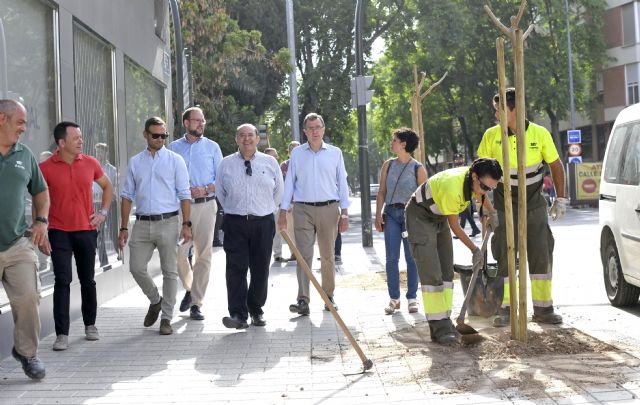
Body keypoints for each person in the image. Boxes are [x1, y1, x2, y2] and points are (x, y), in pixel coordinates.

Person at [477, 87, 568, 327]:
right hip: (504, 198)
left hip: (534, 199)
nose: (496, 115)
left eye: (500, 110)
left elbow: (556, 165)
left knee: (541, 250)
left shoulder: (539, 134)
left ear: (514, 109)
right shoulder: (491, 136)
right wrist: (486, 209)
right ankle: (507, 308)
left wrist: (561, 198)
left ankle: (543, 308)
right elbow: (477, 175)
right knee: (505, 252)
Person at [405, 158, 502, 344]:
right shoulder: (453, 187)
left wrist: (492, 212)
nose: (485, 191)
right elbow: (455, 226)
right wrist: (475, 250)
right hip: (420, 215)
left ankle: (445, 319)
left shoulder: (475, 182)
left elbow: (481, 195)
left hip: (439, 214)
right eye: (484, 186)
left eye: (490, 188)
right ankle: (438, 327)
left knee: (447, 270)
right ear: (474, 177)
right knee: (432, 271)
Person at [39, 122, 113, 351]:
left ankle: (90, 325)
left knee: (87, 279)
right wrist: (41, 232)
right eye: (76, 138)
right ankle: (62, 334)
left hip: (86, 230)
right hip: (59, 232)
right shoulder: (45, 167)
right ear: (61, 143)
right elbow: (38, 199)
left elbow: (107, 186)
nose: (81, 141)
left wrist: (102, 213)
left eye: (81, 137)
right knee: (62, 281)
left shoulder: (91, 163)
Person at [119, 117, 192, 335]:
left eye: (163, 135)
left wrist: (186, 224)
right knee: (136, 268)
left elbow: (184, 194)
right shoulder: (135, 162)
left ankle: (167, 318)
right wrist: (123, 227)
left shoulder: (175, 160)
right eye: (155, 135)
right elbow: (126, 196)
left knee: (170, 271)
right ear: (146, 135)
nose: (160, 139)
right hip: (141, 222)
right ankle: (155, 300)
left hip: (168, 222)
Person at [278, 113, 350, 315]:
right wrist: (283, 211)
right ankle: (303, 300)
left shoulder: (335, 153)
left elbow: (342, 184)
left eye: (318, 127)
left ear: (323, 129)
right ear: (305, 132)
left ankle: (328, 297)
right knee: (303, 255)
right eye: (310, 128)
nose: (314, 131)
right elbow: (289, 183)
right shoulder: (297, 154)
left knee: (327, 256)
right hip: (302, 209)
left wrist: (344, 213)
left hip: (329, 209)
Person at [216, 124, 283, 329]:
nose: (246, 139)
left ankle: (256, 310)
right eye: (242, 136)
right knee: (235, 268)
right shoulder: (226, 164)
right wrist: (235, 210)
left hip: (263, 222)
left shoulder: (270, 162)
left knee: (260, 268)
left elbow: (278, 191)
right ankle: (238, 314)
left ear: (257, 139)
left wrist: (267, 211)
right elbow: (221, 192)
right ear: (236, 139)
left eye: (250, 135)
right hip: (235, 222)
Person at [0, 99, 48, 379]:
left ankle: (27, 353)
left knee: (29, 298)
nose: (24, 128)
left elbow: (41, 192)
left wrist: (41, 220)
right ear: (1, 119)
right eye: (20, 122)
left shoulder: (25, 154)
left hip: (18, 242)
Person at [168, 106, 222, 321]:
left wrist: (207, 188)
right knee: (179, 254)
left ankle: (197, 303)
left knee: (204, 255)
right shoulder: (173, 148)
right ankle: (190, 289)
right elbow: (167, 176)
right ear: (186, 123)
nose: (201, 124)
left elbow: (222, 178)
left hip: (206, 205)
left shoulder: (212, 147)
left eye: (203, 121)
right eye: (197, 120)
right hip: (181, 207)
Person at [374, 128, 428, 315]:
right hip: (391, 214)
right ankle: (394, 299)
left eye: (394, 140)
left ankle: (412, 298)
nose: (392, 143)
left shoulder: (418, 168)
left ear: (404, 144)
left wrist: (423, 222)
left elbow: (424, 197)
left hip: (410, 216)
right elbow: (381, 191)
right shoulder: (388, 165)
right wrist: (377, 214)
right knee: (391, 258)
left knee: (411, 258)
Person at [93, 142, 119, 267]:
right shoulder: (92, 168)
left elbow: (116, 188)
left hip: (110, 205)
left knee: (114, 232)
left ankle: (120, 253)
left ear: (106, 153)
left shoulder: (112, 170)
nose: (98, 154)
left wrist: (113, 194)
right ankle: (104, 262)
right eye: (97, 152)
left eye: (101, 152)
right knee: (99, 234)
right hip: (96, 205)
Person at [264, 147, 286, 263]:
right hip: (262, 208)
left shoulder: (277, 169)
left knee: (277, 232)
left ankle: (277, 254)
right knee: (265, 234)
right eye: (274, 155)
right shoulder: (260, 168)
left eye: (276, 155)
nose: (276, 157)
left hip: (276, 206)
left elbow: (280, 188)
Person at [280, 140, 300, 261]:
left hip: (303, 202)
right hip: (290, 203)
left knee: (305, 229)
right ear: (289, 151)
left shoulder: (305, 163)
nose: (294, 152)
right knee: (291, 229)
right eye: (292, 149)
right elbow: (281, 185)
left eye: (296, 149)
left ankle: (305, 252)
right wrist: (285, 204)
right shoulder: (284, 166)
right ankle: (294, 253)